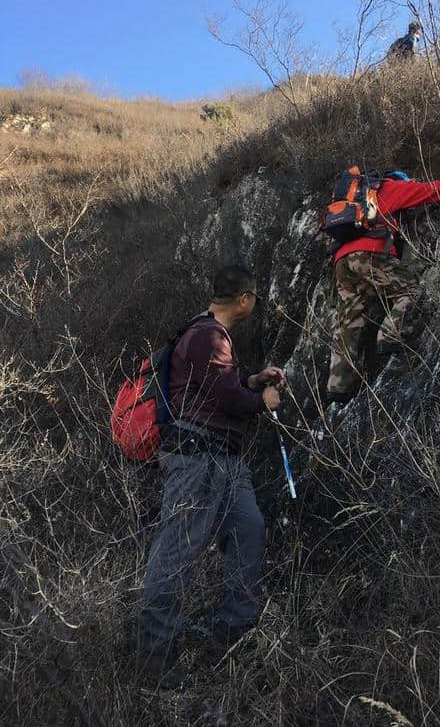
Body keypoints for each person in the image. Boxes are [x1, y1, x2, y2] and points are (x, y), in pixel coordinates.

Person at [137, 265, 284, 690]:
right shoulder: (208, 335)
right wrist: (263, 400)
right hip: (198, 460)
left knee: (249, 532)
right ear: (244, 299)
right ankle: (154, 658)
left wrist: (251, 379)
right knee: (176, 555)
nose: (254, 305)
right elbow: (224, 396)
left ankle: (232, 632)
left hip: (224, 462)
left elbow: (219, 383)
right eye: (254, 298)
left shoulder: (210, 336)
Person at [327, 168, 440, 405]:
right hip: (369, 254)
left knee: (349, 322)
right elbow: (434, 190)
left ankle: (338, 389)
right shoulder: (389, 188)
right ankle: (390, 338)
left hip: (341, 262)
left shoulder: (349, 200)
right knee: (409, 291)